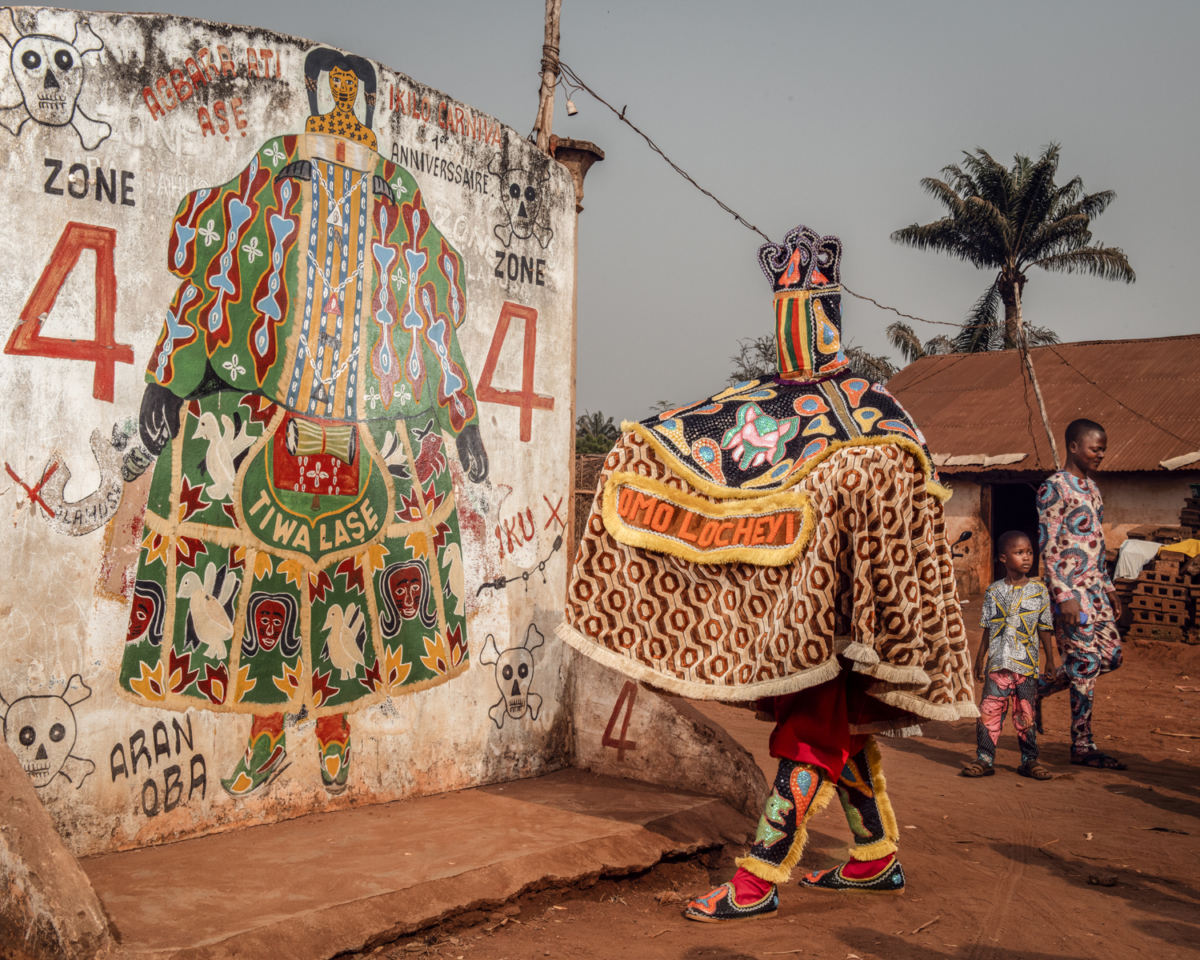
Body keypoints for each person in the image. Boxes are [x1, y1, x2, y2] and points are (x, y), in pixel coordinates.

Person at [559, 224, 977, 922]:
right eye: (785, 305)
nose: (794, 322)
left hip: (849, 616)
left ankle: (757, 878)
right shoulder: (771, 403)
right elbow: (689, 438)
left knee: (811, 736)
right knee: (835, 731)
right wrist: (634, 444)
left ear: (828, 311)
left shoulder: (877, 417)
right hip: (795, 613)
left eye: (803, 305)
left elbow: (895, 519)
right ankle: (875, 856)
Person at [117, 47, 487, 798]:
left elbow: (434, 316)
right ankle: (265, 739)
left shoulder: (398, 198)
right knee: (263, 588)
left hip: (366, 432)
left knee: (351, 588)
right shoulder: (274, 175)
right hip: (265, 418)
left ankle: (334, 734)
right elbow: (212, 276)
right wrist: (169, 380)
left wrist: (462, 418)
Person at [1036, 419, 1125, 770]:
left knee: (1111, 657)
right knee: (1085, 663)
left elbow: (1097, 544)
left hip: (1095, 589)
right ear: (1073, 446)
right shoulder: (1053, 487)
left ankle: (1039, 690)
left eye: (1103, 448)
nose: (1101, 454)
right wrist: (1062, 594)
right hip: (1070, 592)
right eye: (1095, 448)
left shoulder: (1093, 488)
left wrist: (1110, 587)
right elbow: (1048, 544)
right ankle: (1082, 744)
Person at [962, 530, 1055, 779]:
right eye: (1018, 552)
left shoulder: (1039, 591)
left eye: (1029, 552)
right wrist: (979, 658)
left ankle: (1029, 760)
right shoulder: (993, 591)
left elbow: (1045, 627)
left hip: (1027, 666)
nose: (1026, 558)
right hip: (997, 665)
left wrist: (1050, 659)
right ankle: (984, 758)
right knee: (989, 713)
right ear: (1003, 558)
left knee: (1025, 714)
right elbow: (987, 627)